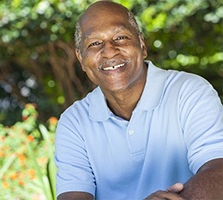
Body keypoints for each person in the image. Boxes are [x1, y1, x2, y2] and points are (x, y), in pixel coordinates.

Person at [54, 1, 223, 199]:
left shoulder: (189, 91)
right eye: (94, 43)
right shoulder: (74, 122)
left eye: (120, 37)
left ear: (142, 45)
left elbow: (218, 169)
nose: (109, 51)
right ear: (81, 59)